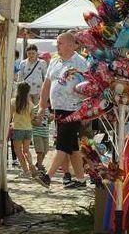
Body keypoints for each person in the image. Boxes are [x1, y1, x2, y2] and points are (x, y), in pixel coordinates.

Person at [36, 30, 89, 190]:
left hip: (74, 109)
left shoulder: (81, 63)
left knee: (62, 145)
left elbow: (90, 86)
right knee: (72, 147)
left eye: (60, 43)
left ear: (71, 45)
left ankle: (48, 176)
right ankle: (81, 180)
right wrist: (41, 106)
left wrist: (87, 110)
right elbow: (46, 85)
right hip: (58, 109)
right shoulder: (54, 62)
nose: (57, 46)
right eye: (57, 43)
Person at [10, 82, 35, 175]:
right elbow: (32, 117)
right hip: (28, 129)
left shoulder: (13, 102)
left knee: (18, 150)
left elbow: (9, 115)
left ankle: (26, 171)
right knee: (26, 150)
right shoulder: (30, 104)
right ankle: (31, 165)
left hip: (17, 128)